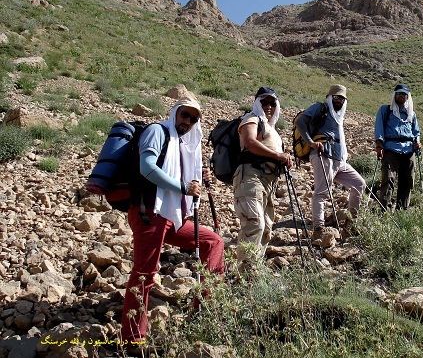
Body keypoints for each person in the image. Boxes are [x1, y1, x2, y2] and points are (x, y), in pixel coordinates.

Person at [121, 96, 225, 346]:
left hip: (172, 216)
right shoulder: (157, 131)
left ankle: (204, 311)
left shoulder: (181, 144)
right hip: (150, 213)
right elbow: (147, 168)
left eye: (194, 118)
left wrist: (198, 176)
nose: (188, 121)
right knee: (145, 273)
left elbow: (179, 173)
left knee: (213, 242)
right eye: (185, 115)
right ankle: (132, 338)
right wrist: (183, 187)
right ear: (175, 113)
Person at [295, 84, 365, 239]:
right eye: (335, 97)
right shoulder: (320, 108)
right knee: (322, 192)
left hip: (339, 159)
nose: (338, 100)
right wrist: (311, 141)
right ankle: (318, 228)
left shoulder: (339, 116)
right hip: (323, 154)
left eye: (341, 98)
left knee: (359, 184)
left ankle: (351, 223)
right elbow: (300, 123)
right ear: (329, 97)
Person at [233, 86, 292, 269]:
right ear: (257, 102)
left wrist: (282, 160)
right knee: (254, 224)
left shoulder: (272, 128)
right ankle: (244, 276)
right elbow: (250, 142)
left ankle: (252, 270)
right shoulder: (251, 119)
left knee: (266, 228)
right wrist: (276, 156)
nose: (268, 106)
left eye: (272, 103)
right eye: (264, 102)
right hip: (251, 176)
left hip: (268, 181)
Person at [374, 83, 422, 211]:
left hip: (409, 150)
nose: (401, 96)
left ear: (408, 97)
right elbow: (379, 129)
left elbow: (416, 132)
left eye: (404, 94)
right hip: (390, 149)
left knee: (408, 181)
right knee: (388, 179)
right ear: (394, 95)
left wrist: (418, 142)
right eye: (399, 93)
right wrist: (379, 146)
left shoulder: (411, 114)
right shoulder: (385, 110)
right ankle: (385, 211)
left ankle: (402, 210)